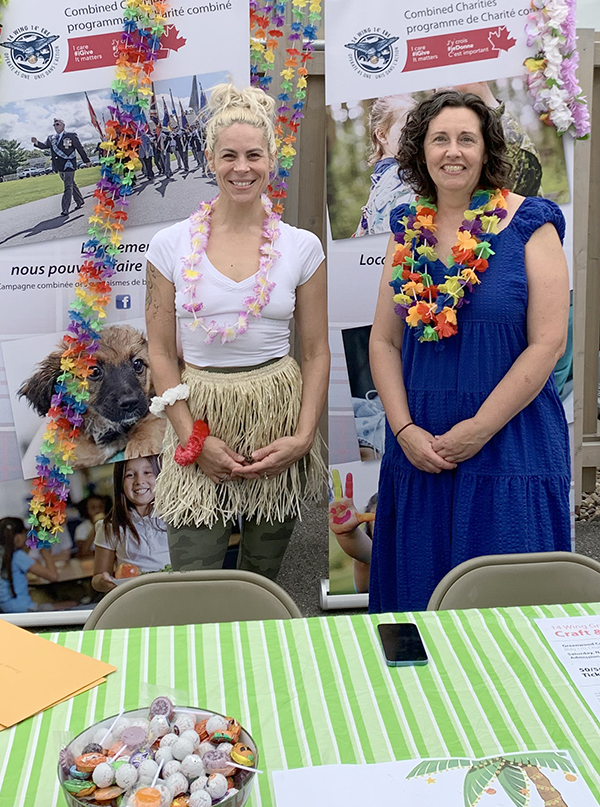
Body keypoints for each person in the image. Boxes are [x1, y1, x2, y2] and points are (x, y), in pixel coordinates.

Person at [368, 89, 570, 613]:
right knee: (419, 606)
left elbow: (548, 343)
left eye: (466, 139)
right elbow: (384, 341)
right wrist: (404, 432)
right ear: (420, 151)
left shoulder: (531, 224)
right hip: (422, 448)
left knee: (509, 609)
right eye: (440, 139)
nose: (452, 151)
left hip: (510, 442)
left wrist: (479, 428)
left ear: (486, 150)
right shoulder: (405, 229)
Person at [145, 83, 329, 581]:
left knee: (261, 578)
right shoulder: (169, 245)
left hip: (275, 414)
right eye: (229, 155)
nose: (241, 168)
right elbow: (160, 353)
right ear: (210, 159)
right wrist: (192, 440)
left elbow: (316, 352)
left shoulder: (301, 247)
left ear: (272, 160)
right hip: (198, 411)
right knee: (196, 577)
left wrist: (302, 438)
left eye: (253, 155)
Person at [91, 455, 170, 594]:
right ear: (119, 482)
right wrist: (104, 582)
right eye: (130, 475)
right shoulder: (110, 526)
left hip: (174, 592)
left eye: (147, 472)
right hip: (136, 597)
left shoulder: (174, 517)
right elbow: (97, 578)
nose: (139, 481)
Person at [355, 95, 416, 238]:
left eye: (418, 130)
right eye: (407, 130)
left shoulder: (383, 178)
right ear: (382, 135)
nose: (415, 136)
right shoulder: (399, 177)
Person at [0, 516, 58, 613]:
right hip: (23, 608)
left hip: (5, 607)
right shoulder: (18, 556)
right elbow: (53, 576)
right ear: (18, 537)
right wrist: (45, 552)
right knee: (72, 604)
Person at [31, 118, 90, 216]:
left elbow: (79, 148)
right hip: (59, 166)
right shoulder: (51, 138)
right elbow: (44, 145)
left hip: (69, 165)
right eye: (54, 125)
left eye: (57, 124)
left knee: (68, 186)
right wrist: (36, 142)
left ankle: (65, 209)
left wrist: (86, 160)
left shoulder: (71, 135)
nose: (55, 126)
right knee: (71, 184)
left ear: (63, 125)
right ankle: (79, 200)